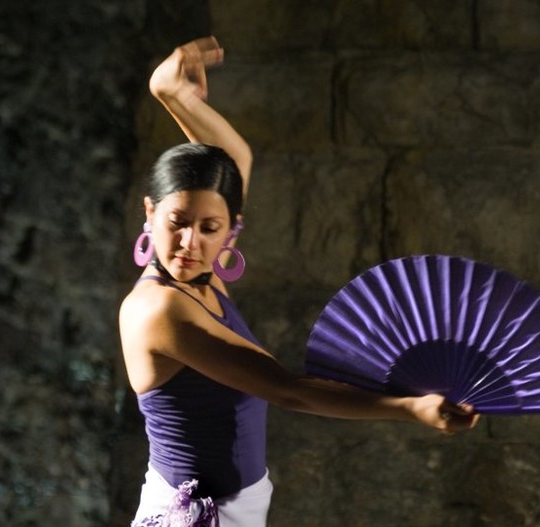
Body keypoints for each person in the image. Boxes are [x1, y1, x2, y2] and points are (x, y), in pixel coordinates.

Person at [119, 36, 479, 527]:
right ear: (150, 211)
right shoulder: (160, 310)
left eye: (210, 228)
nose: (189, 243)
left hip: (236, 509)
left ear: (231, 231)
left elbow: (233, 162)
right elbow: (288, 390)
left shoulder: (200, 276)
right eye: (176, 222)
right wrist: (408, 408)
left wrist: (172, 95)